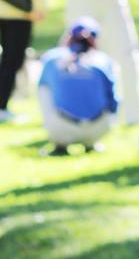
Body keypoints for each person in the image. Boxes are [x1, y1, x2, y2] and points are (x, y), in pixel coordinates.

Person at [37, 17, 118, 155]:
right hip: (99, 128)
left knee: (44, 87)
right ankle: (90, 142)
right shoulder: (103, 60)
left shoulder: (52, 57)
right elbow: (114, 101)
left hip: (61, 128)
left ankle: (60, 144)